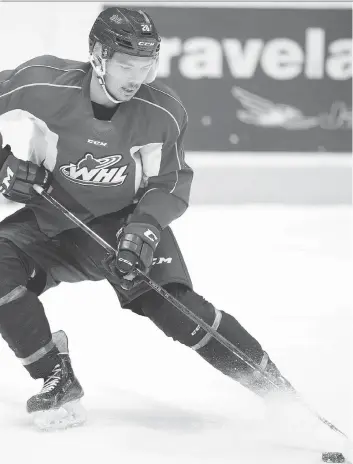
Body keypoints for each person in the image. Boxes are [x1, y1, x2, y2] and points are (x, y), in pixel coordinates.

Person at [0, 7, 293, 430]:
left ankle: (276, 391)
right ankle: (55, 376)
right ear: (97, 56)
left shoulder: (163, 112)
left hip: (123, 226)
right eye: (125, 65)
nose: (136, 77)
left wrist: (144, 229)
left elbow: (171, 184)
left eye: (146, 65)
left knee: (176, 310)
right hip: (52, 222)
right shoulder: (43, 83)